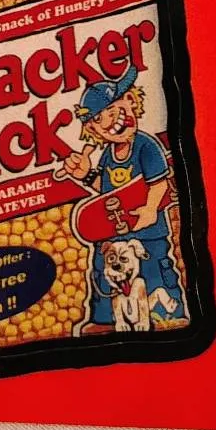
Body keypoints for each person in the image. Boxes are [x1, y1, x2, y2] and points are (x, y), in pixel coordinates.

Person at [61, 65, 185, 332]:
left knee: (155, 269)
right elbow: (108, 190)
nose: (109, 120)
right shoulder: (107, 155)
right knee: (102, 272)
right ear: (93, 129)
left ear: (130, 101)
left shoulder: (146, 146)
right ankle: (104, 321)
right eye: (99, 118)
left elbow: (159, 183)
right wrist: (86, 175)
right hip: (114, 234)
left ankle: (168, 315)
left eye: (114, 109)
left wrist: (150, 209)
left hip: (148, 232)